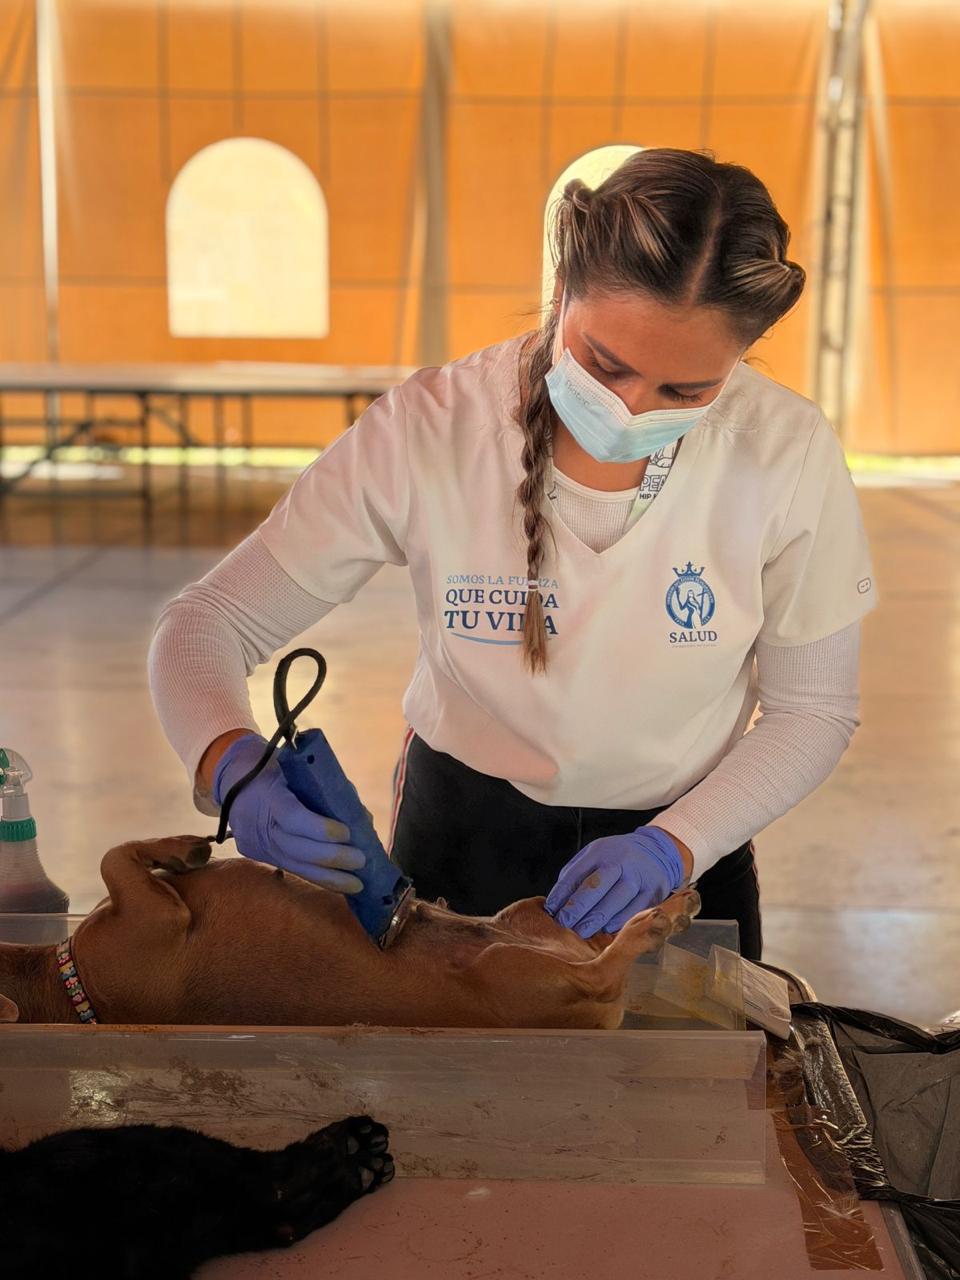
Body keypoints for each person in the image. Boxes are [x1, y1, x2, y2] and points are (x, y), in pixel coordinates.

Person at [148, 148, 876, 962]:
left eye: (685, 392)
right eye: (605, 363)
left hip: (682, 845)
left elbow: (813, 708)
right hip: (461, 835)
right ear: (562, 291)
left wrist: (676, 846)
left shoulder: (784, 452)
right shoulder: (432, 431)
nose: (630, 409)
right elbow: (207, 623)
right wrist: (231, 763)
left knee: (683, 1048)